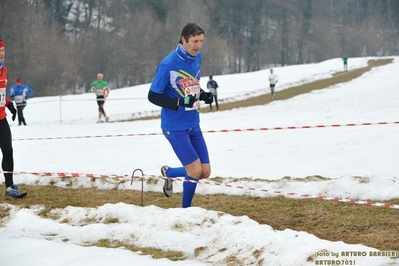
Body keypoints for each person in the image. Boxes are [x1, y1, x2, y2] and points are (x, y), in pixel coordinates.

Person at [148, 23, 213, 208]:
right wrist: (179, 102)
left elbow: (189, 84)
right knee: (194, 170)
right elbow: (153, 95)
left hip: (193, 123)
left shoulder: (197, 57)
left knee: (205, 171)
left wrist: (202, 94)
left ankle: (168, 173)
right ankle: (186, 212)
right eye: (194, 41)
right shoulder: (168, 64)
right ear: (183, 40)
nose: (198, 46)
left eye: (201, 41)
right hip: (175, 127)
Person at [0, 40, 27, 198]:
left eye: (3, 50)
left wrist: (9, 104)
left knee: (8, 151)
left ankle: (9, 187)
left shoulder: (4, 70)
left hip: (1, 119)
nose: (2, 53)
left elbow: (1, 94)